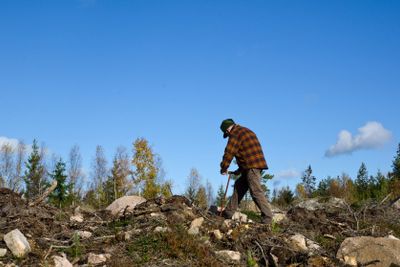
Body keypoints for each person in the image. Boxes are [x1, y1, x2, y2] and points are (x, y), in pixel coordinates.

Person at [219, 118, 273, 224]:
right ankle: (228, 213)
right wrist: (239, 170)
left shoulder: (235, 133)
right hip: (253, 165)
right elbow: (248, 153)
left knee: (256, 191)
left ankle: (268, 218)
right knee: (239, 186)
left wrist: (224, 168)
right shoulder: (245, 130)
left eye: (227, 134)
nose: (228, 136)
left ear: (227, 130)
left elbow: (229, 152)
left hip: (251, 167)